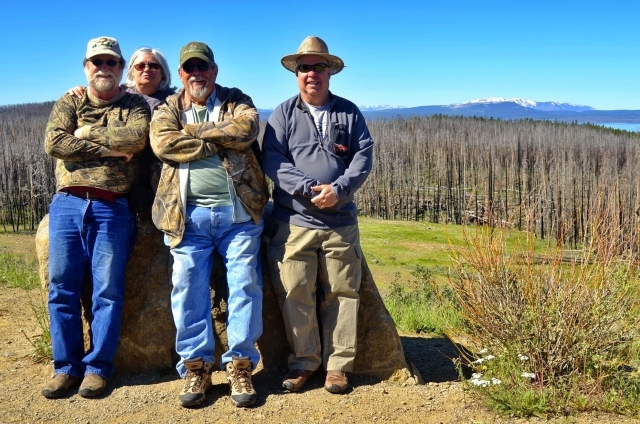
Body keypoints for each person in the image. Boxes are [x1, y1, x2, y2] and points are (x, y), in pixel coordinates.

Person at [150, 41, 268, 408]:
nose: (196, 74)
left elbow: (246, 129)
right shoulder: (169, 106)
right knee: (187, 286)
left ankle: (240, 364)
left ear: (214, 70)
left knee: (245, 282)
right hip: (186, 215)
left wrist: (194, 134)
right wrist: (219, 138)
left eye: (203, 67)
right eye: (189, 69)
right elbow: (163, 144)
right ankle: (196, 366)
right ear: (181, 74)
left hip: (239, 213)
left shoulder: (236, 99)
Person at [262, 36, 374, 394]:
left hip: (340, 222)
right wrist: (311, 188)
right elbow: (273, 160)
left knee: (342, 292)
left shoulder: (348, 111)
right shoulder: (283, 114)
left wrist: (338, 190)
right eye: (305, 67)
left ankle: (338, 367)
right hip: (293, 221)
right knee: (295, 290)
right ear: (296, 74)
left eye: (319, 66)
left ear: (330, 72)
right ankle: (304, 362)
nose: (312, 73)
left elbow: (363, 156)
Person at [41, 36, 150, 399]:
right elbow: (55, 142)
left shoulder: (134, 104)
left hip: (112, 207)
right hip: (67, 204)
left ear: (120, 68)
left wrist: (84, 133)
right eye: (96, 62)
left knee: (108, 290)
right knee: (62, 289)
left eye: (111, 62)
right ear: (86, 67)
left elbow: (136, 139)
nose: (103, 67)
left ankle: (98, 368)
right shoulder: (70, 100)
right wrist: (110, 149)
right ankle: (65, 368)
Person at [66, 47, 176, 217]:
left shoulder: (175, 101)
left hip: (159, 176)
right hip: (119, 176)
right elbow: (95, 94)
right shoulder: (118, 95)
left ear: (163, 72)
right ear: (131, 69)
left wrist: (85, 132)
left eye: (154, 66)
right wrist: (79, 91)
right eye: (140, 66)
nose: (147, 69)